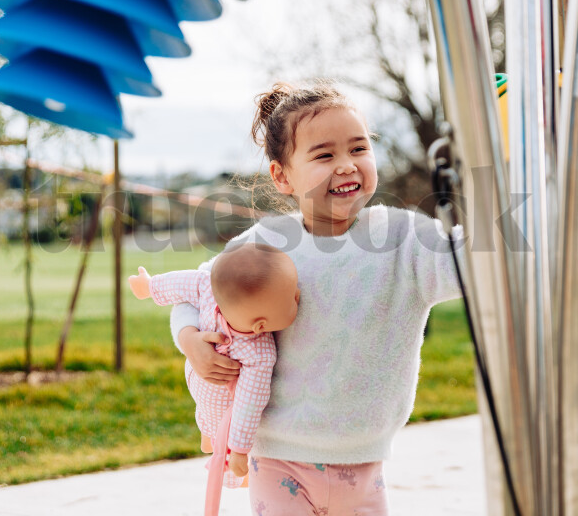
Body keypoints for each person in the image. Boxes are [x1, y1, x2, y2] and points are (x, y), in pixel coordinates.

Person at [171, 81, 463, 516]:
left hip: (364, 459)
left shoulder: (404, 239)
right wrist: (189, 339)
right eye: (325, 155)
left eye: (359, 149)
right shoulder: (265, 244)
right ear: (282, 176)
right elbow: (196, 292)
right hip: (277, 457)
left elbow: (471, 263)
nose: (347, 165)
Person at [129, 243, 300, 488]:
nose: (298, 295)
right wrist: (239, 450)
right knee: (220, 421)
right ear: (260, 326)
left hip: (204, 385)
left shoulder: (208, 287)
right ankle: (213, 440)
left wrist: (147, 286)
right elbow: (248, 405)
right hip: (218, 392)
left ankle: (208, 436)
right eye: (292, 298)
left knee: (210, 414)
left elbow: (178, 283)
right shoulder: (259, 354)